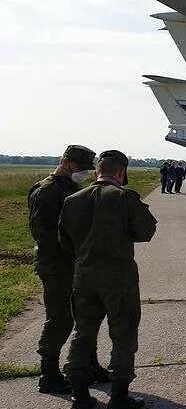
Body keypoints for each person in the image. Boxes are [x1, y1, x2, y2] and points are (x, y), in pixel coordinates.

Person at [59, 150, 158, 409]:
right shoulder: (124, 198)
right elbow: (146, 231)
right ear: (121, 173)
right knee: (123, 335)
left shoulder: (72, 200)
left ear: (96, 172)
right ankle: (119, 396)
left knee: (83, 334)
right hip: (118, 279)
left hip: (84, 276)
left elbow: (64, 240)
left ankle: (79, 396)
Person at [28, 145, 108, 394]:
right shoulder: (47, 191)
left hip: (77, 264)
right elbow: (44, 233)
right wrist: (79, 244)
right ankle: (49, 372)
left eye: (86, 170)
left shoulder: (72, 189)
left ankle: (88, 365)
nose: (82, 173)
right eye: (78, 168)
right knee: (60, 318)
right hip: (56, 265)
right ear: (64, 161)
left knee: (87, 316)